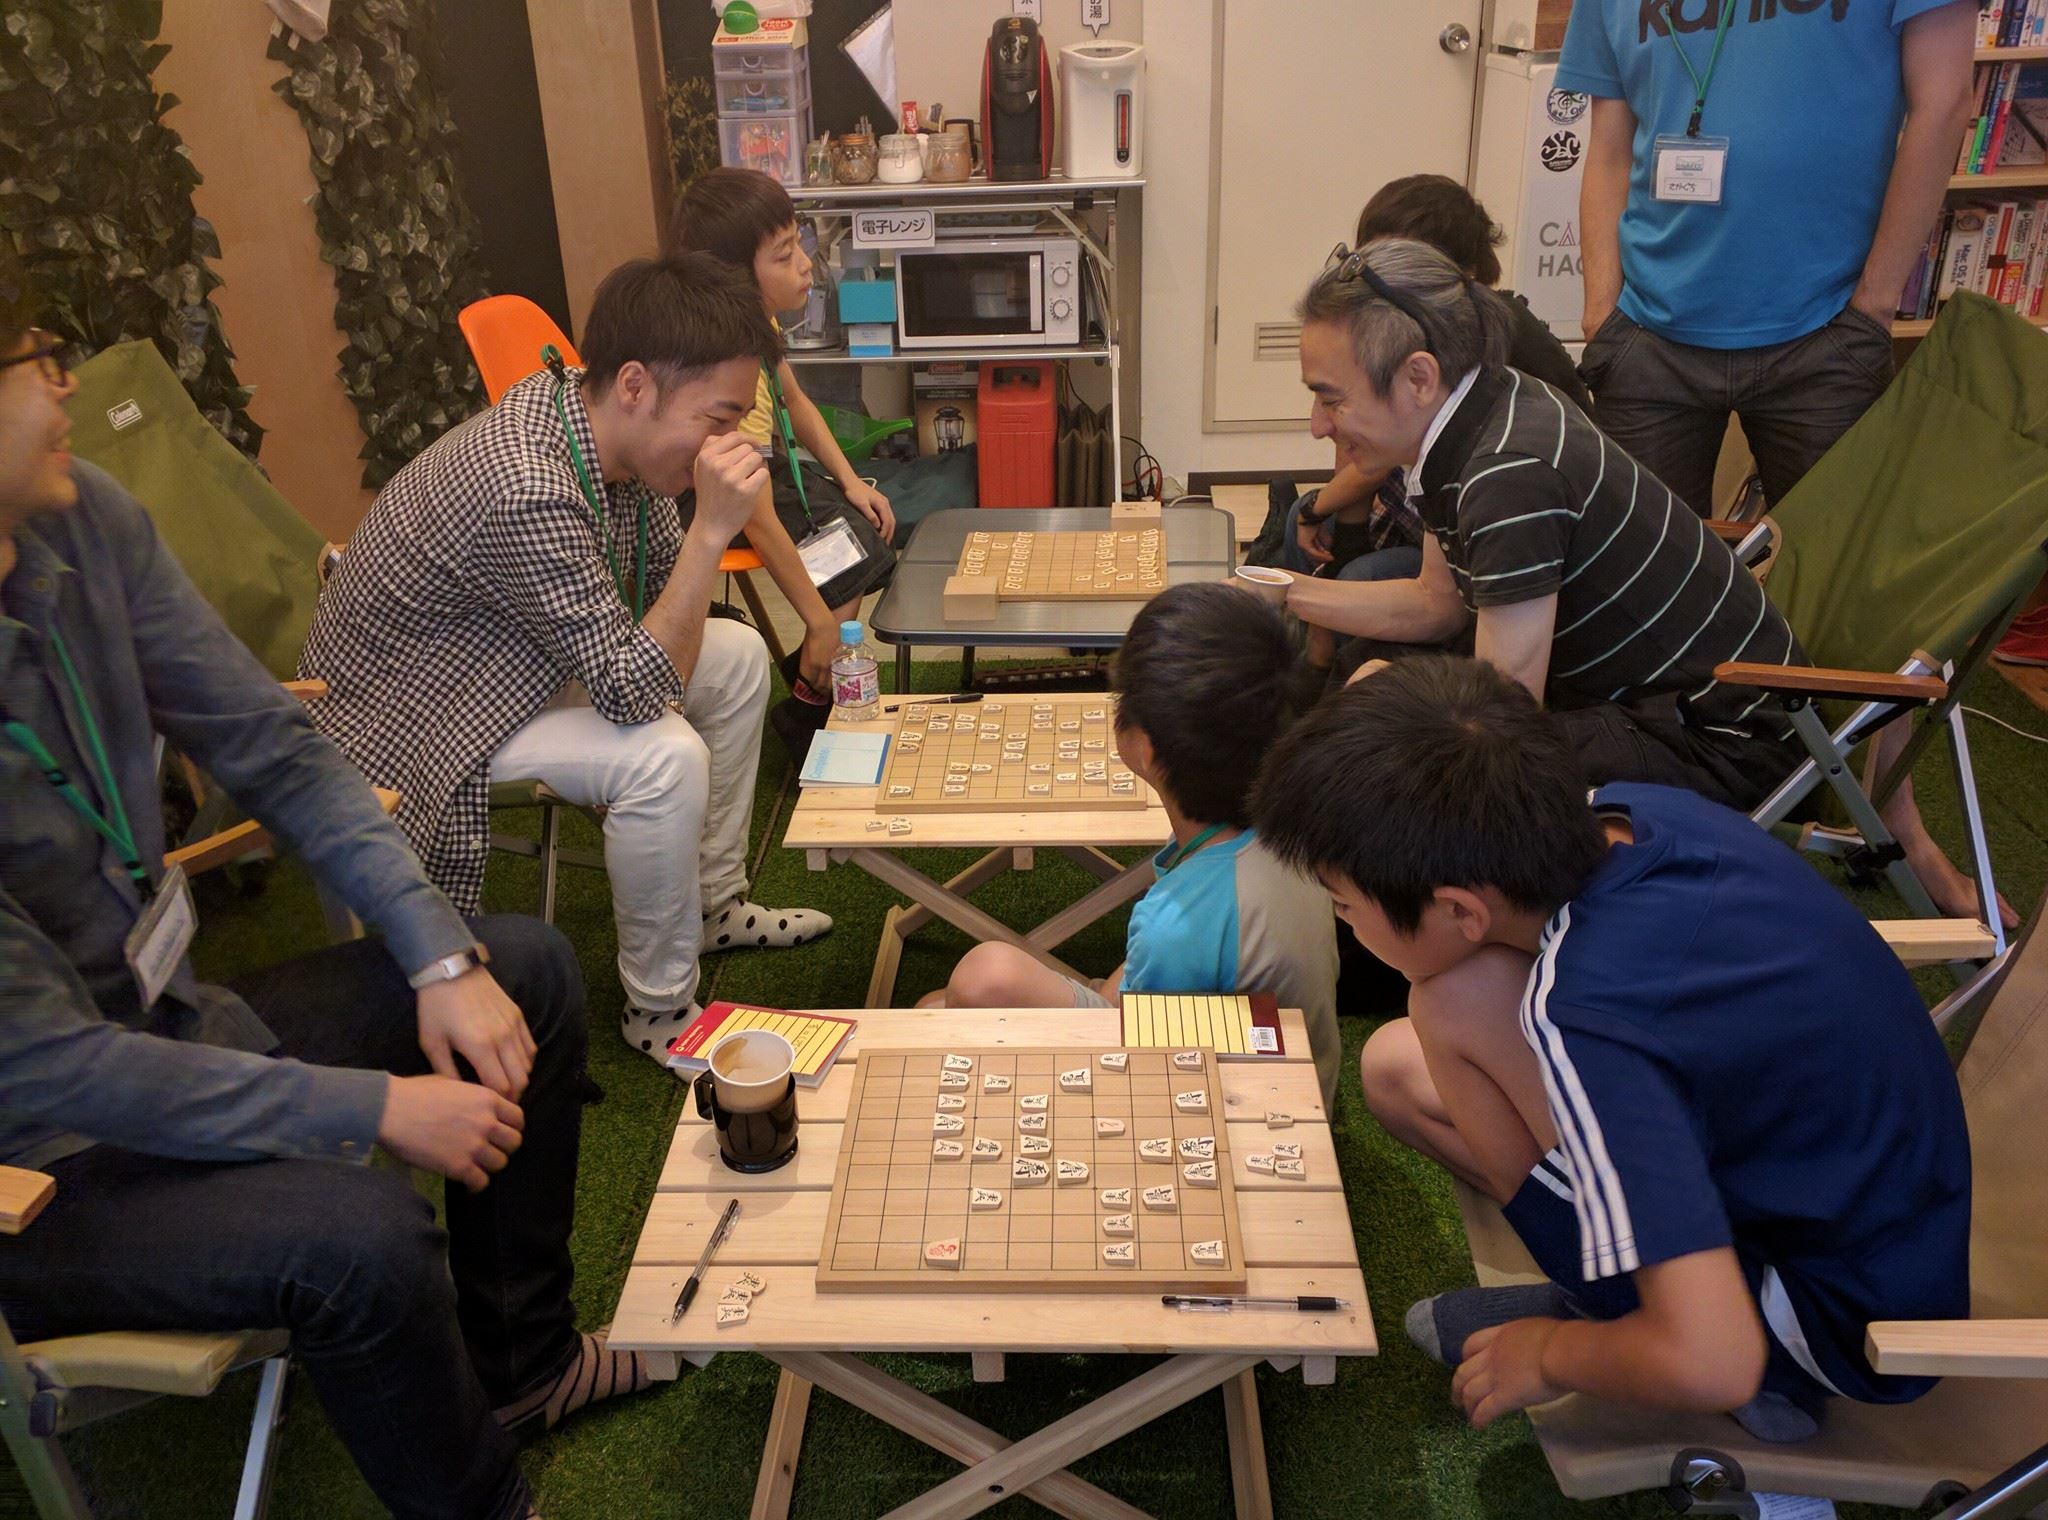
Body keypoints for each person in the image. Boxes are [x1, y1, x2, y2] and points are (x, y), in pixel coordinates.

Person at [0, 319, 643, 1520]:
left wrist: (438, 952)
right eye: (31, 357)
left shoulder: (83, 521)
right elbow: (54, 1065)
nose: (64, 380)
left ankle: (527, 1367)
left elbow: (279, 748)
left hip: (176, 1022)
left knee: (524, 967)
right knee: (363, 1236)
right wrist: (369, 1106)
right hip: (36, 1161)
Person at [1253, 656, 1970, 1443]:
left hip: (1832, 1325)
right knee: (1400, 1066)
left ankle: (1629, 1314)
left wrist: (1548, 1354)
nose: (1345, 925)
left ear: (1459, 909)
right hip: (1898, 1228)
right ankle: (1640, 1281)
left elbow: (1715, 1362)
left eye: (1345, 908)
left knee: (1446, 1003)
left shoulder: (1587, 1012)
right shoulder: (1641, 811)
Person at [300, 253, 831, 1071]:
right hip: (417, 711)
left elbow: (656, 619)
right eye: (719, 420)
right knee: (663, 756)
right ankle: (661, 1010)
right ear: (635, 385)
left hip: (503, 659)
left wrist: (692, 537)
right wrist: (710, 530)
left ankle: (712, 906)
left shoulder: (603, 432)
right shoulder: (530, 482)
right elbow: (633, 690)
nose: (727, 447)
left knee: (736, 658)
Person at [1284, 237, 1806, 813]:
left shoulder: (1509, 474)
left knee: (1400, 739)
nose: (1318, 426)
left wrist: (1399, 698)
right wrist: (1287, 593)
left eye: (1330, 399)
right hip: (1646, 704)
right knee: (1370, 668)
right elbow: (1437, 603)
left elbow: (1500, 724)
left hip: (1715, 741)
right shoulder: (1484, 406)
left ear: (1418, 378)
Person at [928, 583, 1341, 1106]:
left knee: (982, 979)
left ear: (1144, 749)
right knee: (944, 1004)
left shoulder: (1180, 923)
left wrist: (1106, 1000)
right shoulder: (1288, 829)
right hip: (1289, 1065)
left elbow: (1138, 1059)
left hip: (1242, 1104)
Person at [1561, 0, 1974, 517]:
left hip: (1828, 332)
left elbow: (1945, 102)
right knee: (1641, 564)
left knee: (1824, 561)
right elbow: (1608, 147)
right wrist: (1600, 313)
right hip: (1648, 338)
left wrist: (1876, 301)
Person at [1261, 175, 1593, 587]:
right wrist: (1339, 537)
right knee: (1315, 527)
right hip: (1425, 506)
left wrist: (1322, 524)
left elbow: (1439, 600)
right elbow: (1357, 439)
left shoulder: (1484, 353)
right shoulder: (1406, 333)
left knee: (1358, 571)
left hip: (1494, 536)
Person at [667, 168, 899, 743]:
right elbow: (752, 509)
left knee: (863, 532)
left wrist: (851, 480)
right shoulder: (723, 360)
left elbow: (795, 402)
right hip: (712, 495)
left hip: (762, 474)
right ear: (733, 276)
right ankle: (814, 691)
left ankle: (809, 680)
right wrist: (819, 621)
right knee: (847, 556)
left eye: (800, 245)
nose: (805, 265)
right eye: (784, 254)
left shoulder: (756, 320)